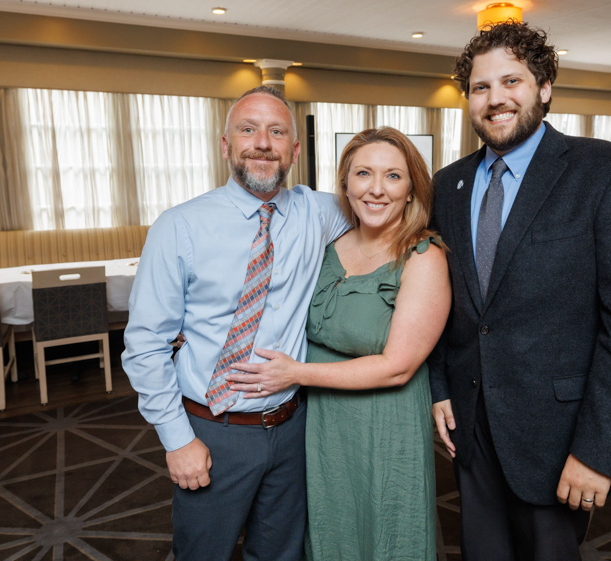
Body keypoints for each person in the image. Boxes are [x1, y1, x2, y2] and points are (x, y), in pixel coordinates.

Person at [428, 20, 611, 561]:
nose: (495, 100)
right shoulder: (448, 185)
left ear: (544, 87)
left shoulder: (609, 172)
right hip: (471, 427)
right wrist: (440, 387)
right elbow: (446, 305)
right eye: (481, 87)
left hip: (559, 436)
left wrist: (600, 451)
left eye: (511, 82)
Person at [121, 86, 349, 561]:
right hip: (211, 429)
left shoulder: (320, 211)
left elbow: (384, 205)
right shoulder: (179, 226)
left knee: (282, 554)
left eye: (276, 131)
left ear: (294, 149)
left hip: (293, 428)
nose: (262, 143)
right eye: (248, 129)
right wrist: (177, 440)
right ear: (225, 145)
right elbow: (145, 345)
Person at [228, 127, 451, 561]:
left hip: (386, 424)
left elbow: (398, 366)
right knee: (331, 532)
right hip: (323, 424)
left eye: (393, 177)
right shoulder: (328, 245)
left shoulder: (423, 256)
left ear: (411, 190)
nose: (376, 189)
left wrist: (295, 373)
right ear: (345, 184)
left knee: (387, 530)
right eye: (364, 173)